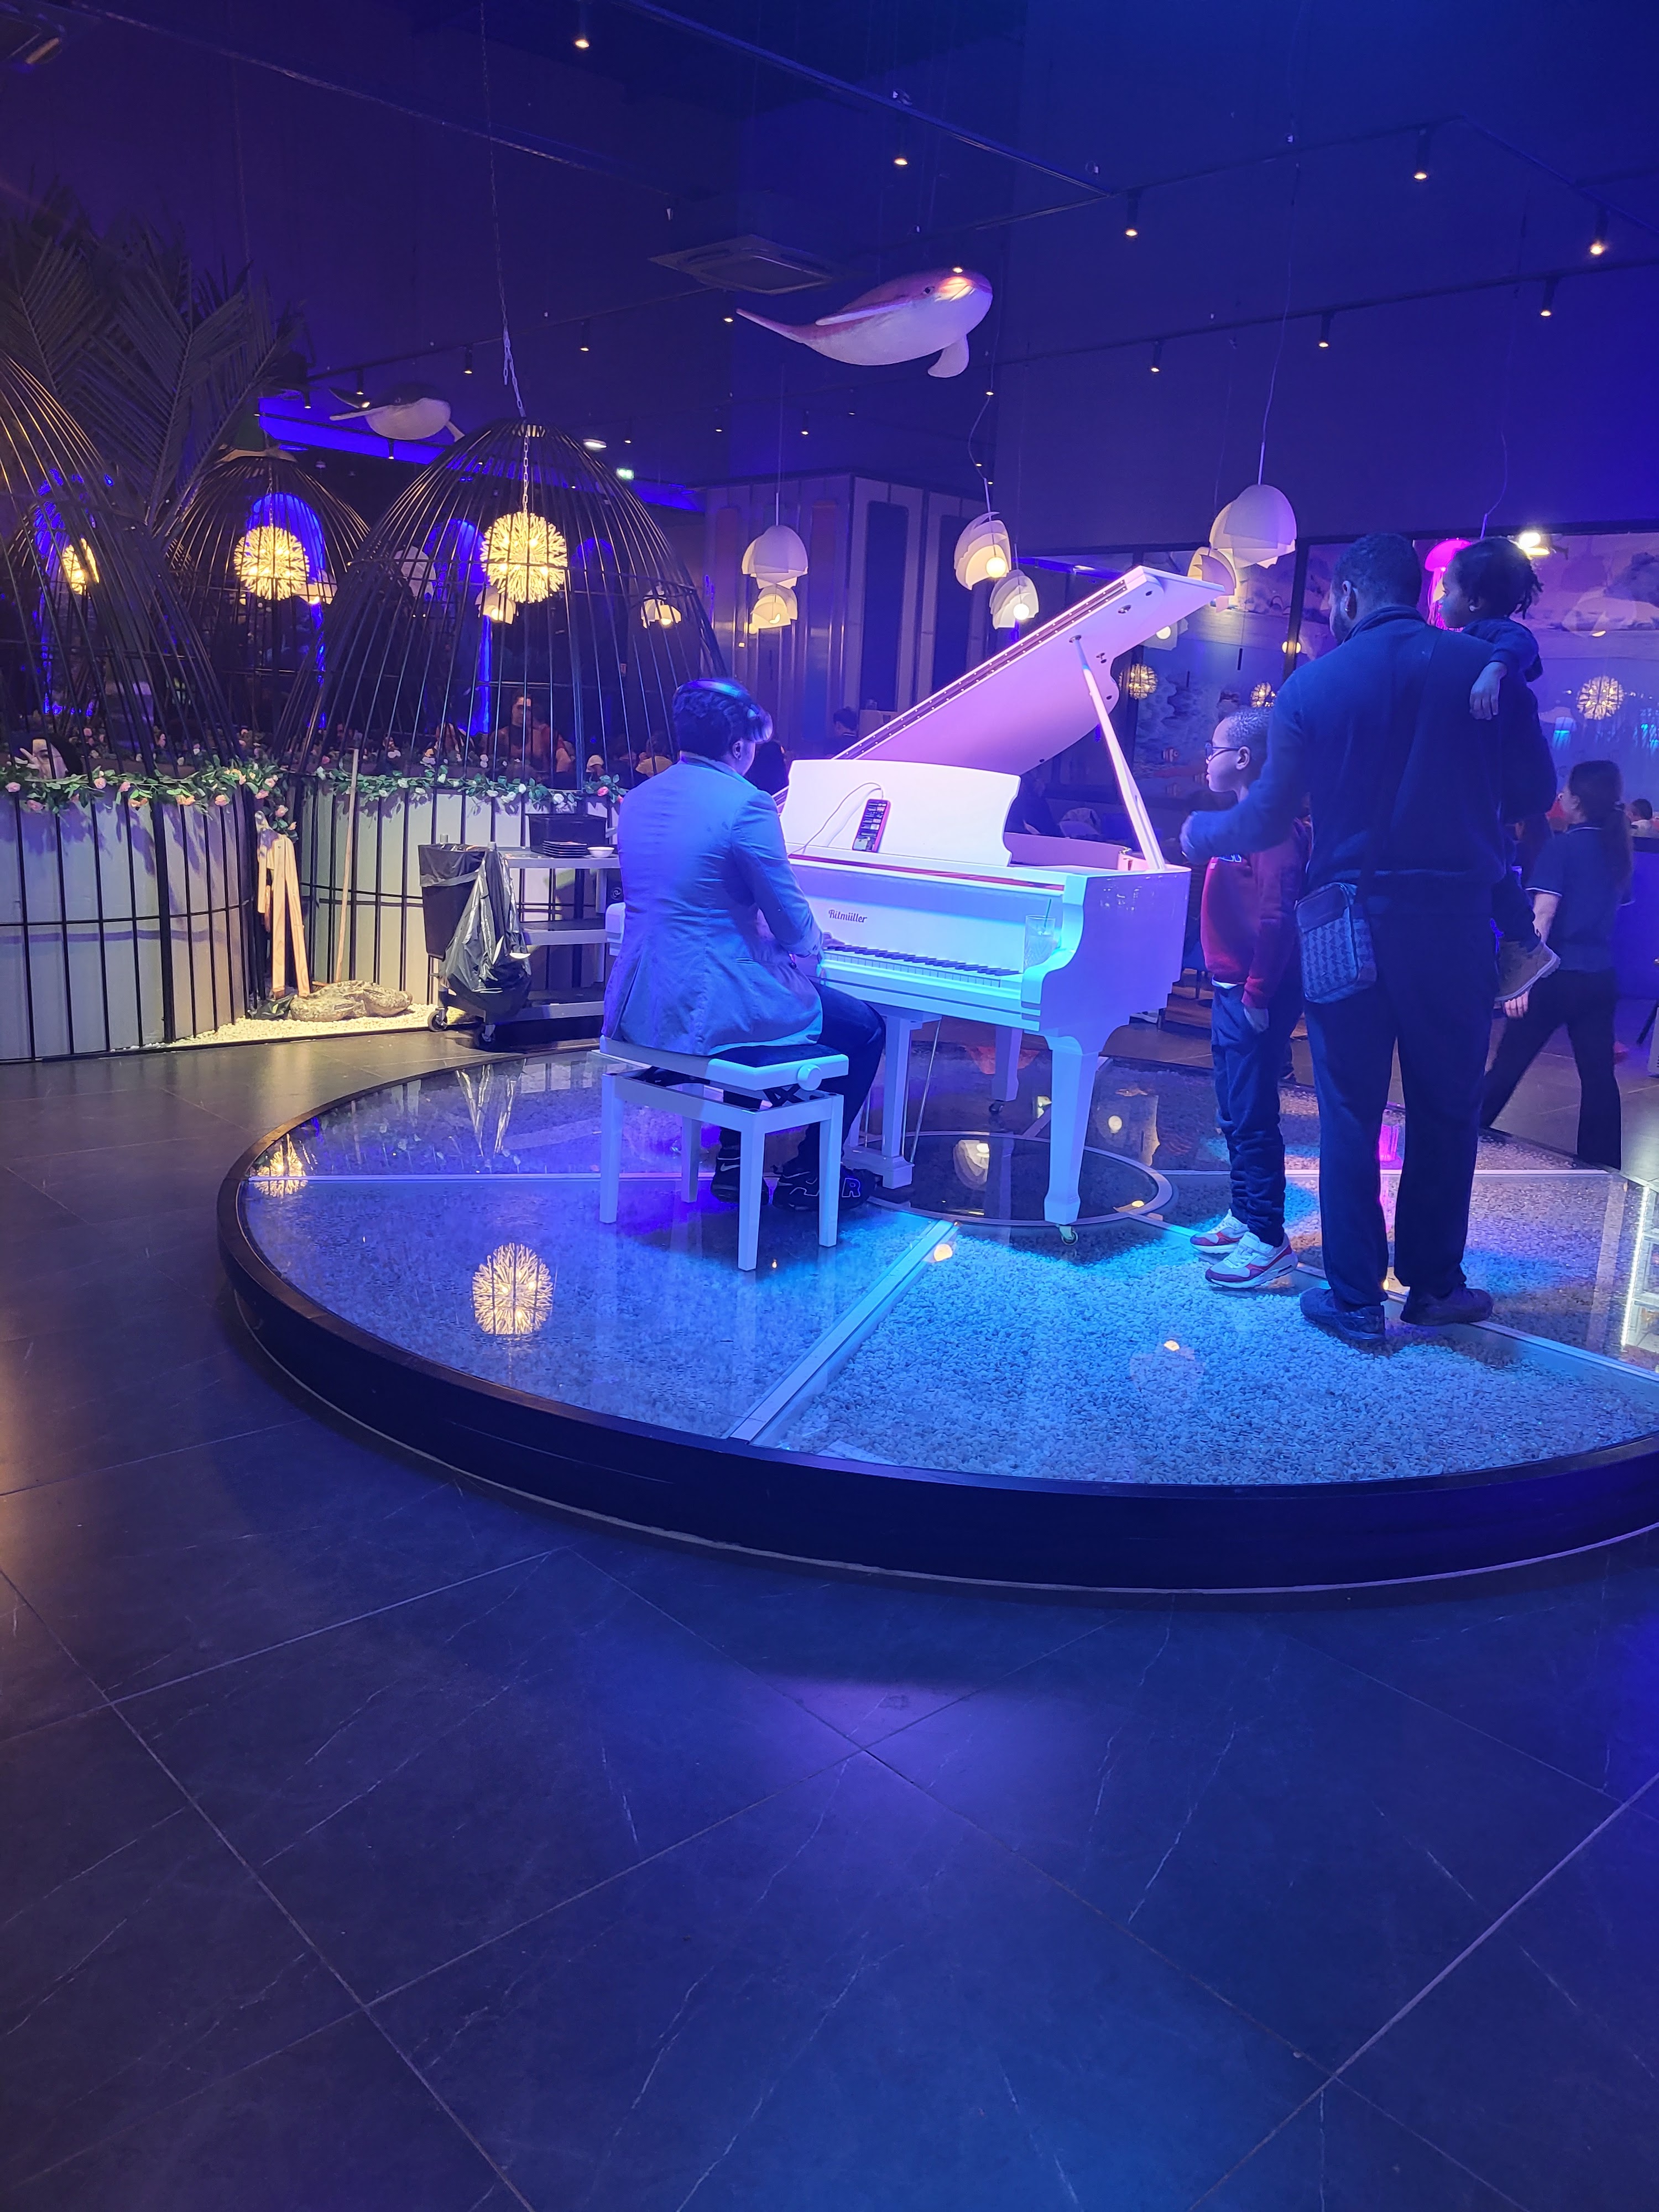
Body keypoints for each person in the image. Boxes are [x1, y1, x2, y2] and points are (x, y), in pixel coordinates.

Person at [1181, 533, 1555, 1348]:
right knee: (1446, 1110)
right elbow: (1534, 789)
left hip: (1342, 922)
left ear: (1348, 595)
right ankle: (1435, 1286)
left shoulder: (1313, 686)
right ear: (1417, 591)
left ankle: (1355, 1300)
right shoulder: (1480, 668)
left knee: (1349, 1110)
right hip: (1454, 925)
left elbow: (1266, 818)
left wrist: (1199, 834)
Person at [606, 677, 883, 1211]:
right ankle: (811, 1175)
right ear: (738, 746)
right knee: (865, 1028)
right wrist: (814, 942)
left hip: (643, 999)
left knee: (758, 982)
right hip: (712, 1002)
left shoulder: (638, 800)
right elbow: (791, 923)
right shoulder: (747, 804)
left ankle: (737, 1155)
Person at [1188, 707, 1310, 1289]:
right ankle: (1244, 1213)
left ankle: (1268, 1236)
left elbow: (1278, 916)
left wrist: (1258, 993)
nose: (1206, 760)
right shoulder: (1245, 822)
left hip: (1254, 992)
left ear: (1242, 758)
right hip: (1230, 988)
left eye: (1212, 749)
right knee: (1233, 1110)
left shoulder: (1274, 828)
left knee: (1254, 1114)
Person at [1481, 758, 1631, 1168]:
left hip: (1555, 976)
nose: (1560, 795)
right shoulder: (1617, 850)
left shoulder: (1562, 848)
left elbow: (1543, 915)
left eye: (1566, 789)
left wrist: (1522, 979)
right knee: (1599, 1078)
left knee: (1508, 1066)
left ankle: (1461, 1135)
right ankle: (1603, 1168)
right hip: (1599, 978)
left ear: (1577, 801)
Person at [1436, 537, 1561, 1003]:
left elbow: (1520, 641)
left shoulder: (1492, 635)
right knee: (1491, 853)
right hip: (1517, 779)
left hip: (1518, 779)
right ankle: (1520, 942)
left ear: (1474, 600)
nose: (1439, 600)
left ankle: (1524, 943)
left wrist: (1494, 670)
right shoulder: (1479, 641)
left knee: (1486, 854)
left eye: (1447, 590)